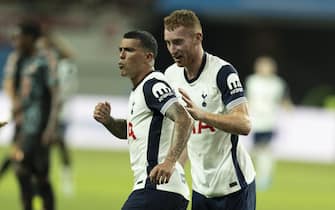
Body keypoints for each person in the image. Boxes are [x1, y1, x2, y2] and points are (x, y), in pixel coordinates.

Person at [163, 10, 256, 210]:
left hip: (234, 186)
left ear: (198, 38)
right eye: (168, 43)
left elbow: (245, 123)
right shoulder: (171, 75)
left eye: (178, 42)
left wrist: (203, 115)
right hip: (201, 189)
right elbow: (183, 131)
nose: (172, 49)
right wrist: (174, 166)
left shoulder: (222, 73)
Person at [93, 30, 193, 210]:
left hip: (158, 187)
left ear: (148, 57)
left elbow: (184, 119)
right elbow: (129, 131)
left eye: (129, 50)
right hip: (159, 189)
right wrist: (108, 121)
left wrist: (170, 162)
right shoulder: (140, 90)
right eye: (120, 49)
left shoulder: (153, 85)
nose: (122, 55)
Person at [6, 20, 59, 210]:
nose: (16, 41)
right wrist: (16, 108)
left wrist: (51, 127)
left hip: (40, 125)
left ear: (31, 38)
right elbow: (18, 89)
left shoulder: (46, 59)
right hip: (24, 125)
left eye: (19, 37)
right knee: (21, 169)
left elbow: (55, 96)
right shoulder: (20, 59)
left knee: (40, 174)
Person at [37, 25, 78, 196]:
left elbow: (67, 89)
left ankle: (66, 180)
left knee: (58, 143)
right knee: (43, 146)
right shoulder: (45, 65)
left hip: (59, 113)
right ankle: (42, 179)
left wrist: (56, 104)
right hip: (46, 112)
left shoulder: (65, 66)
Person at [245, 56, 292, 191]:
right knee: (255, 150)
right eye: (262, 66)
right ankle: (255, 175)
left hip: (269, 121)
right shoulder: (251, 81)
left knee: (265, 149)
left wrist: (288, 110)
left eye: (267, 66)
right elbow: (247, 98)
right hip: (254, 121)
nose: (264, 69)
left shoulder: (278, 83)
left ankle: (265, 177)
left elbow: (284, 99)